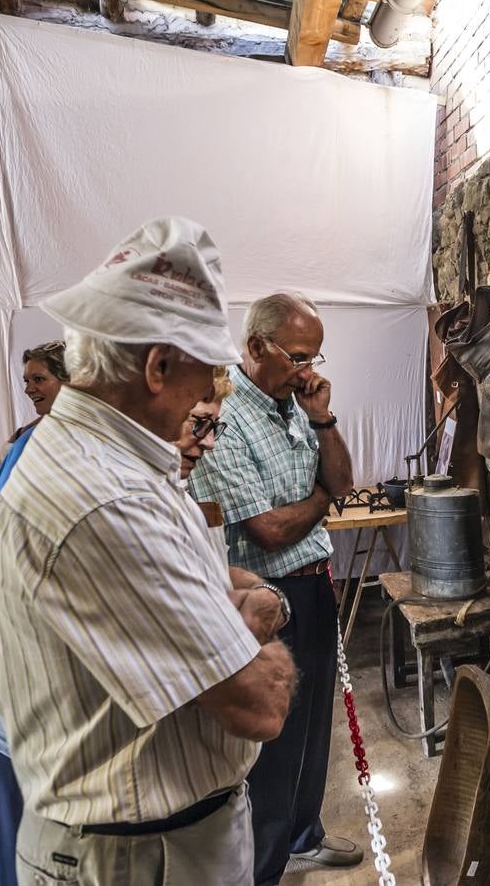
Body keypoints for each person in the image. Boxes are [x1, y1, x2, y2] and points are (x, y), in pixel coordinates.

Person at [0, 217, 297, 886]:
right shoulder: (106, 496)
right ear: (158, 366)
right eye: (202, 378)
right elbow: (259, 703)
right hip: (137, 860)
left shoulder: (109, 461)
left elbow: (209, 592)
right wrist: (255, 624)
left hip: (152, 846)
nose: (204, 401)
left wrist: (227, 616)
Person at [190, 292, 358, 884]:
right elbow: (266, 530)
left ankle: (303, 834)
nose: (310, 371)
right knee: (274, 739)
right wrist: (321, 498)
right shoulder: (223, 417)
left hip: (314, 585)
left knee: (315, 724)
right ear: (256, 346)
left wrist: (322, 422)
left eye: (315, 357)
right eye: (298, 357)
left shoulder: (297, 404)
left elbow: (343, 479)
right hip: (265, 593)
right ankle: (262, 867)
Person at [0, 339, 69, 886]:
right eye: (27, 379)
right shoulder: (31, 444)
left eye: (39, 378)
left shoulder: (44, 441)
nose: (29, 387)